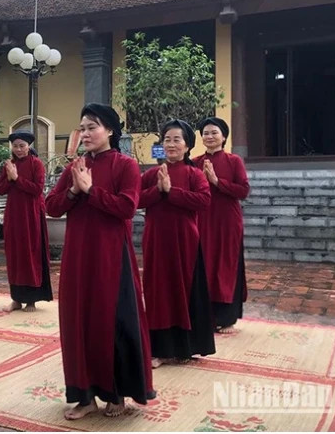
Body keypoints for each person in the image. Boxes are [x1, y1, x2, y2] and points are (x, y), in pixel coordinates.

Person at [45, 103, 155, 419]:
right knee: (78, 321)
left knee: (113, 321)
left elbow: (126, 207)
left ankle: (116, 394)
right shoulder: (74, 167)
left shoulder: (125, 166)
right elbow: (52, 207)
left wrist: (91, 191)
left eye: (92, 126)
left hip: (112, 258)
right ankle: (85, 396)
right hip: (78, 257)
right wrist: (74, 193)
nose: (86, 133)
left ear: (110, 130)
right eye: (82, 127)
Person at [139, 119, 215, 369]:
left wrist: (171, 192)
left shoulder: (195, 174)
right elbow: (136, 200)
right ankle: (159, 350)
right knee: (158, 291)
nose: (171, 144)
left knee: (185, 290)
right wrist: (158, 191)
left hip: (186, 243)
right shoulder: (151, 174)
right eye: (167, 140)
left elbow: (203, 201)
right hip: (157, 241)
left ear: (187, 145)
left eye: (177, 140)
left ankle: (186, 347)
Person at [194, 117, 249, 334]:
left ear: (223, 136)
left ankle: (227, 317)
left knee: (226, 264)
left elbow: (243, 191)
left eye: (214, 133)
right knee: (205, 264)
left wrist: (217, 182)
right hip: (203, 219)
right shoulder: (195, 162)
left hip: (227, 221)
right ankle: (205, 315)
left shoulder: (234, 161)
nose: (209, 137)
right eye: (205, 133)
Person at [0, 129, 52, 312]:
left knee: (30, 255)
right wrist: (10, 178)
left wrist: (17, 179)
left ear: (29, 147)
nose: (18, 149)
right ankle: (16, 299)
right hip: (13, 216)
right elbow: (0, 189)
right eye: (15, 146)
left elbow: (37, 190)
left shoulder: (36, 165)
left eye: (22, 146)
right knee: (15, 256)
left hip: (31, 216)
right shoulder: (9, 164)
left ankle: (31, 301)